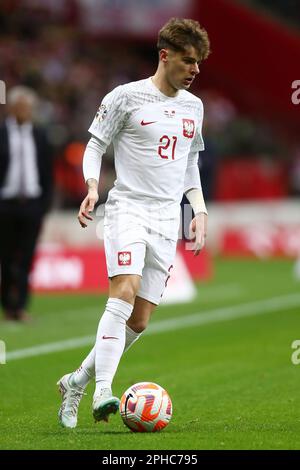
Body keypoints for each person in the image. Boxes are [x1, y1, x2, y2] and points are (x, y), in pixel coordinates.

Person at [57, 17, 210, 428]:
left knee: (138, 321)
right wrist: (92, 187)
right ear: (165, 55)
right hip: (127, 208)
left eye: (199, 63)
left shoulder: (194, 107)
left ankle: (76, 381)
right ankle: (103, 391)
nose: (195, 70)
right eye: (188, 61)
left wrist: (198, 208)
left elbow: (190, 161)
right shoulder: (125, 97)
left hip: (166, 218)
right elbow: (95, 145)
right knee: (124, 288)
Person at [0, 86, 53, 321]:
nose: (24, 111)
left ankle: (20, 306)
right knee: (6, 257)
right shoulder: (1, 133)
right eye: (20, 106)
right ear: (11, 108)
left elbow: (47, 172)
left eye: (27, 107)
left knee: (27, 257)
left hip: (32, 205)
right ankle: (6, 305)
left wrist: (44, 205)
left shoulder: (40, 135)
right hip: (5, 204)